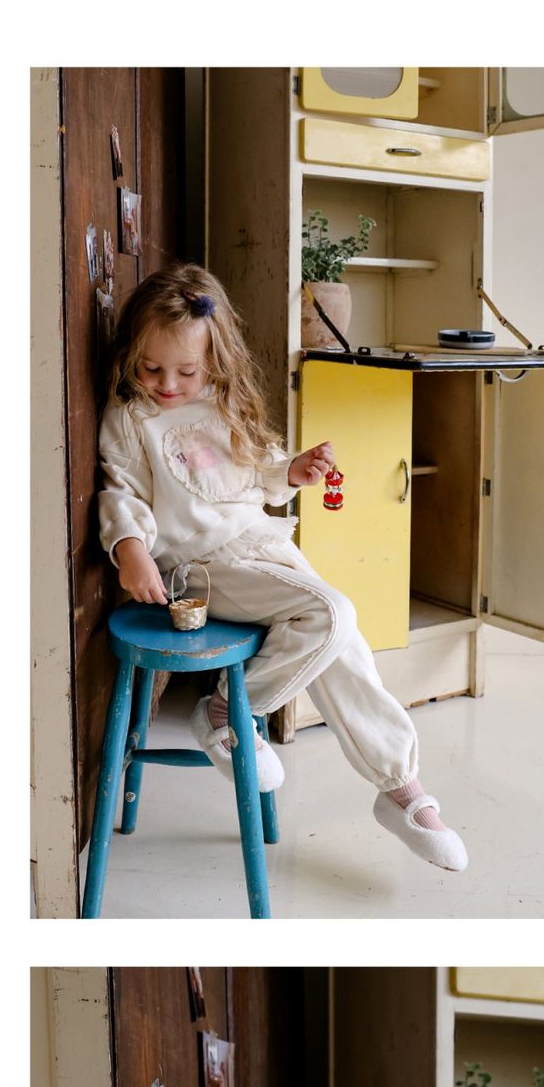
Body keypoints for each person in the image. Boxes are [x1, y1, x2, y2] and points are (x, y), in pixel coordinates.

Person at [97, 262, 467, 873]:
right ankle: (226, 713)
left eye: (186, 371)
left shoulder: (223, 404)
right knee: (333, 614)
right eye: (151, 368)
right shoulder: (130, 416)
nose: (167, 384)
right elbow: (122, 492)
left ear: (213, 361)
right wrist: (130, 547)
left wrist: (293, 469)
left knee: (344, 640)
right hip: (201, 567)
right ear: (132, 356)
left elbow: (257, 471)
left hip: (263, 547)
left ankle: (402, 787)